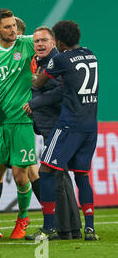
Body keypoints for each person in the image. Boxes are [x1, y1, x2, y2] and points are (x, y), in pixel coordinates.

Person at [29, 20, 100, 241]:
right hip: (90, 125)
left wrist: (33, 82)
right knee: (82, 176)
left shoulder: (60, 59)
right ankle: (89, 228)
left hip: (69, 125)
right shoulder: (90, 54)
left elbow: (39, 83)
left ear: (57, 42)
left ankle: (48, 228)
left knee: (45, 171)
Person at [23, 27, 82, 240]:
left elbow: (61, 90)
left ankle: (60, 228)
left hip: (58, 125)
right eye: (36, 41)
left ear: (54, 42)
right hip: (52, 125)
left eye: (44, 40)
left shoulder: (57, 62)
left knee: (53, 175)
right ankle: (71, 229)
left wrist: (35, 103)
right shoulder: (42, 62)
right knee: (60, 175)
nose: (39, 44)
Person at [0, 9, 36, 239]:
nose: (13, 30)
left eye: (14, 25)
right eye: (7, 27)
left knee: (21, 175)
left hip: (22, 122)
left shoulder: (27, 44)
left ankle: (23, 219)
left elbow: (46, 41)